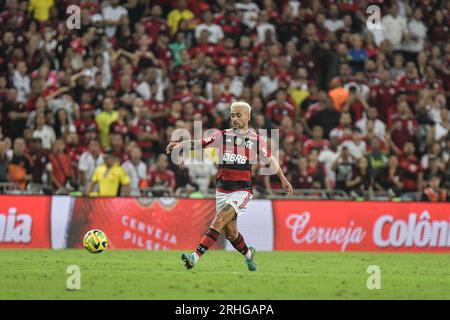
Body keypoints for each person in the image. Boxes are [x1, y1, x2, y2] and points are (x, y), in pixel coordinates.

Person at [166, 101, 293, 271]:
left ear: (248, 116)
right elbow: (200, 143)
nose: (234, 118)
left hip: (241, 190)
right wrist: (181, 144)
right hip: (222, 190)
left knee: (218, 220)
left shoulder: (256, 140)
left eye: (238, 115)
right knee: (231, 233)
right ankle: (249, 255)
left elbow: (270, 159)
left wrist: (283, 179)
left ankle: (194, 257)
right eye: (232, 115)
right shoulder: (222, 135)